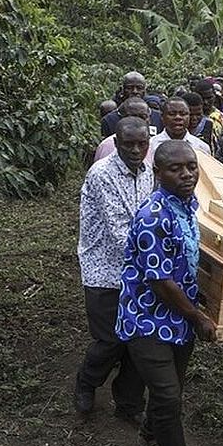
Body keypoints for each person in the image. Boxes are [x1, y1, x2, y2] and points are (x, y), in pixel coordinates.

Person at [116, 140, 218, 446]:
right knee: (169, 397)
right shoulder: (152, 216)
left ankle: (148, 434)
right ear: (158, 174)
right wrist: (199, 316)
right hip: (146, 319)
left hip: (178, 318)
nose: (187, 174)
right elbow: (162, 283)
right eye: (176, 169)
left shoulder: (188, 205)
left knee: (170, 389)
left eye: (191, 166)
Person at [75, 117, 154, 426]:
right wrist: (160, 260)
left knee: (138, 341)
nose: (136, 150)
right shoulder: (102, 174)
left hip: (137, 271)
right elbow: (120, 232)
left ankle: (129, 402)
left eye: (141, 144)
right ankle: (87, 382)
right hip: (104, 269)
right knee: (110, 339)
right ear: (116, 143)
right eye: (128, 144)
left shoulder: (147, 171)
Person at [148, 97, 211, 162]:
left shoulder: (201, 147)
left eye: (183, 114)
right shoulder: (151, 145)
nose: (178, 117)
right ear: (162, 116)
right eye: (172, 114)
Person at [94, 97, 154, 164]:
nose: (137, 120)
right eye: (131, 117)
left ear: (149, 120)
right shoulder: (107, 146)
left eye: (142, 117)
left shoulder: (154, 144)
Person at [195, 80, 223, 150]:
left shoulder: (222, 119)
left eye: (209, 98)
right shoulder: (189, 119)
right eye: (202, 98)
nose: (205, 102)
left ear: (214, 96)